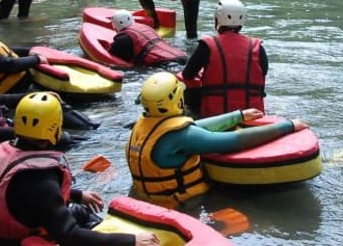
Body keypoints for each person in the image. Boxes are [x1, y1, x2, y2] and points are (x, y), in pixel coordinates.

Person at [0, 91, 161, 246]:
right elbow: (71, 238)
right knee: (82, 220)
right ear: (55, 127)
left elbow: (19, 194)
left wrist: (78, 194)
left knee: (79, 210)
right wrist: (132, 241)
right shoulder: (41, 179)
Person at [125, 71, 308, 207]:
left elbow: (196, 127)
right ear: (177, 100)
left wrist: (238, 116)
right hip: (184, 205)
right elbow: (236, 140)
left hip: (145, 199)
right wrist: (288, 126)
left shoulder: (141, 127)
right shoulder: (183, 136)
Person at [180, 0, 267, 117]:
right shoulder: (257, 47)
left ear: (217, 20)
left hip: (216, 115)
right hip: (253, 115)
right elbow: (263, 73)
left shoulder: (207, 46)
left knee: (182, 81)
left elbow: (187, 75)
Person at [108, 9, 187, 67]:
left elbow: (112, 58)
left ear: (115, 26)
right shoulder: (146, 27)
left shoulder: (122, 39)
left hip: (166, 64)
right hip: (181, 56)